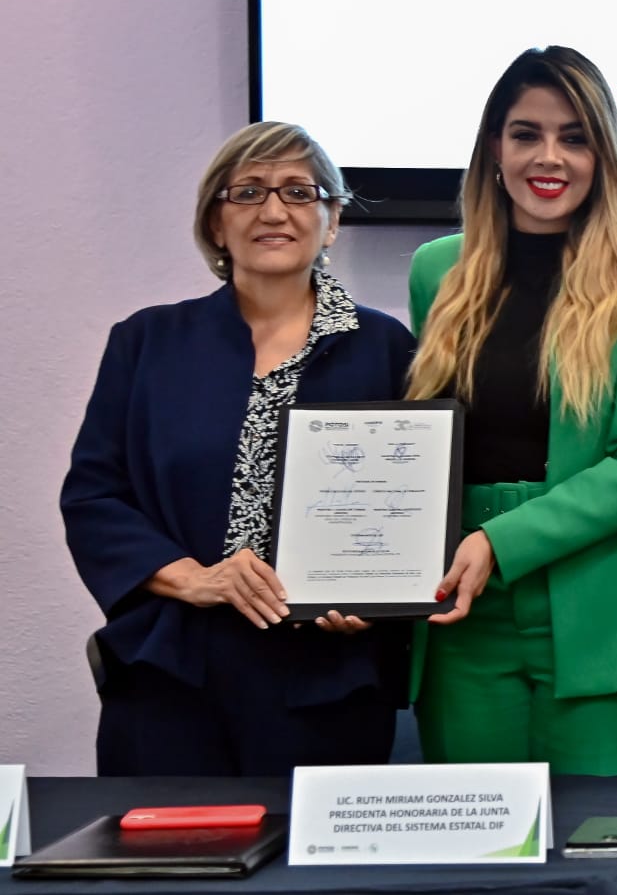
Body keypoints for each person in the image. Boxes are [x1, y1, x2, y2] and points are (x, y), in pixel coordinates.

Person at [61, 122, 414, 775]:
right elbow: (93, 497)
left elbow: (415, 504)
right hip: (170, 672)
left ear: (332, 220)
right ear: (216, 225)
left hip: (326, 681)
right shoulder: (146, 342)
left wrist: (373, 597)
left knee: (308, 878)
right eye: (247, 191)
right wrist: (193, 577)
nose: (273, 210)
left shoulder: (391, 348)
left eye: (298, 191)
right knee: (163, 869)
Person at [406, 45, 617, 773]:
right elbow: (422, 443)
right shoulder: (436, 271)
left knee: (605, 861)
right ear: (493, 149)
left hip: (603, 607)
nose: (550, 156)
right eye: (526, 133)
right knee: (475, 860)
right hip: (461, 611)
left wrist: (501, 540)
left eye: (575, 137)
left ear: (604, 155)